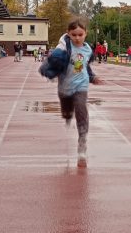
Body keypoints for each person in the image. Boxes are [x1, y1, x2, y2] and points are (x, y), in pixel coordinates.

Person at [38, 17, 103, 167]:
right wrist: (50, 66)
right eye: (74, 35)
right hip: (65, 87)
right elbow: (53, 60)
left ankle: (82, 142)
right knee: (67, 110)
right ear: (68, 34)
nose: (77, 38)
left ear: (85, 34)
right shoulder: (64, 48)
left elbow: (86, 66)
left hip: (81, 86)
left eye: (80, 34)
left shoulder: (87, 50)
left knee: (81, 109)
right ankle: (67, 115)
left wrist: (93, 77)